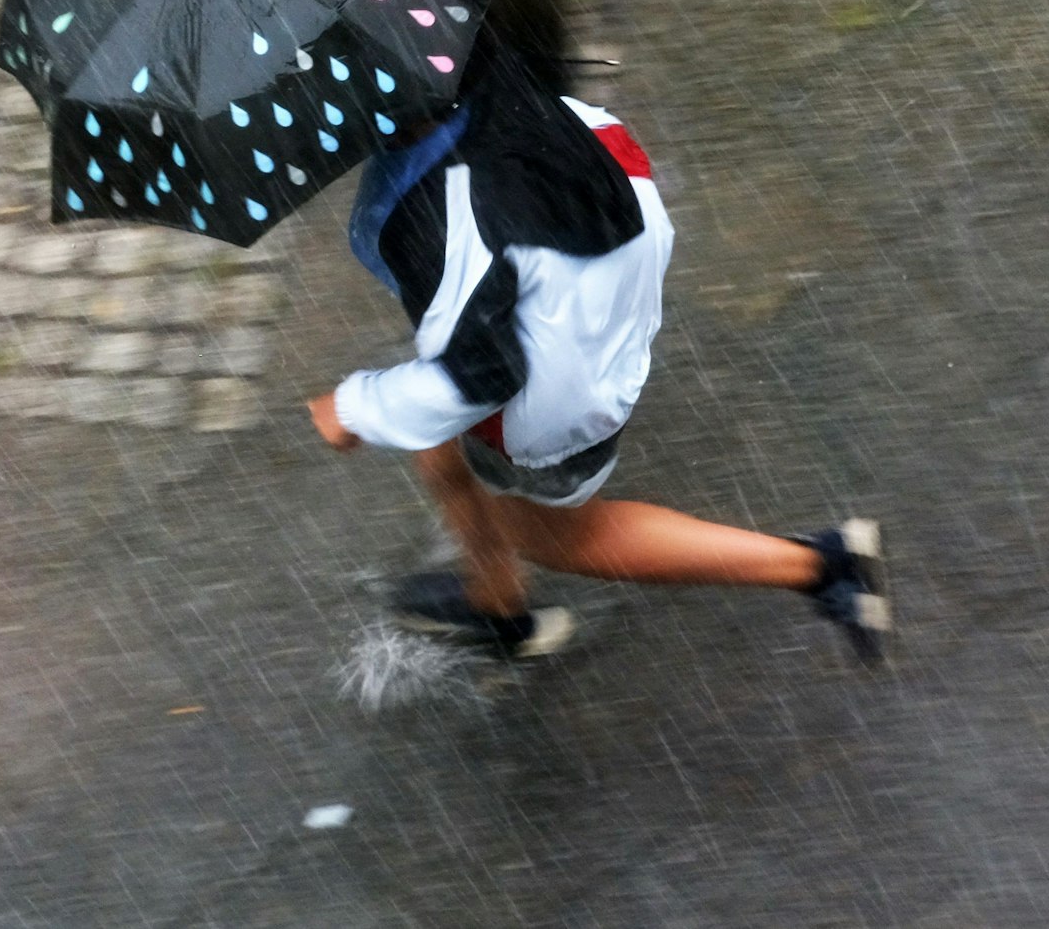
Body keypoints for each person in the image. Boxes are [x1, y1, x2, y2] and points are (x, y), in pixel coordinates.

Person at [306, 44, 889, 661]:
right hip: (595, 284)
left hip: (554, 379)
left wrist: (353, 408)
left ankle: (824, 566)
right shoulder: (509, 96)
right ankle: (495, 598)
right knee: (434, 427)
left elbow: (478, 375)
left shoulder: (441, 221)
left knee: (564, 537)